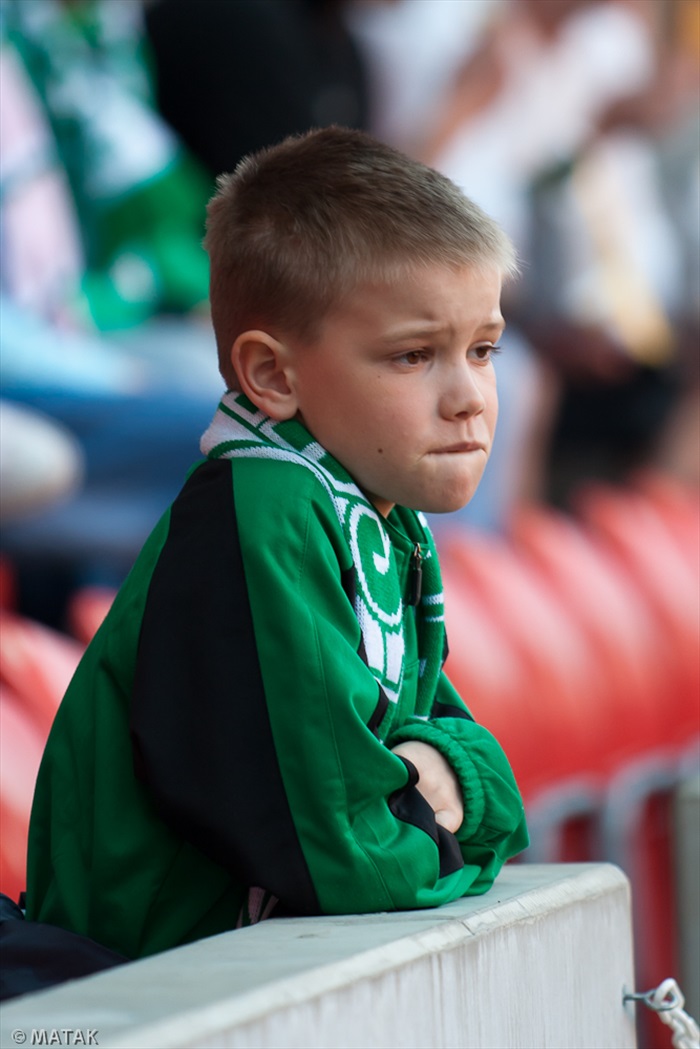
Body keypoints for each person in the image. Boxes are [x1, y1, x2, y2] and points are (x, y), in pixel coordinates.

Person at [24, 127, 528, 961]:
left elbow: (476, 773)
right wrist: (450, 798)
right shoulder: (269, 509)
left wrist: (449, 783)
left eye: (483, 350)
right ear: (273, 377)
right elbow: (353, 858)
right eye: (414, 355)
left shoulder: (372, 508)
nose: (469, 398)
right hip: (146, 993)